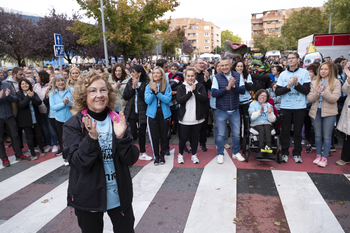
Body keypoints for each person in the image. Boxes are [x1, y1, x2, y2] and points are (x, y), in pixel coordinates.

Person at [63, 70, 138, 233]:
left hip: (119, 195)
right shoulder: (73, 125)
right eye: (93, 90)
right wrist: (91, 138)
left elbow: (131, 159)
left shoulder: (118, 120)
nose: (99, 95)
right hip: (88, 196)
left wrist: (122, 137)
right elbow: (78, 163)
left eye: (103, 90)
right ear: (84, 95)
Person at [275, 52, 311, 163]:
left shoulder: (304, 73)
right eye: (289, 58)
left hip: (300, 107)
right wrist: (288, 86)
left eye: (292, 58)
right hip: (286, 107)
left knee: (297, 131)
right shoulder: (283, 74)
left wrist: (297, 84)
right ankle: (285, 152)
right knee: (285, 131)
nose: (290, 60)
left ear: (298, 59)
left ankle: (297, 153)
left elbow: (306, 91)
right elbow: (277, 92)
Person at [212, 57, 246, 164]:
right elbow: (214, 93)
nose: (224, 67)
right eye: (222, 65)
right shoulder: (216, 77)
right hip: (221, 110)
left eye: (226, 65)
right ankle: (220, 153)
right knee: (221, 134)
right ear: (220, 66)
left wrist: (234, 86)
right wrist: (226, 88)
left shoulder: (237, 75)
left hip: (234, 110)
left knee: (236, 134)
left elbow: (243, 91)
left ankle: (235, 152)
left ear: (230, 65)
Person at [307, 63, 341, 167]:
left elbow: (334, 99)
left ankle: (325, 158)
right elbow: (309, 99)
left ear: (330, 71)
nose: (323, 71)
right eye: (321, 69)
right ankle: (318, 155)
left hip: (329, 113)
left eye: (326, 69)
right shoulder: (314, 82)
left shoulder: (336, 82)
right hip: (316, 111)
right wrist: (317, 93)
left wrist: (323, 92)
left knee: (327, 136)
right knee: (317, 135)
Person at [176, 67, 207, 164]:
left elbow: (204, 98)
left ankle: (194, 155)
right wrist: (190, 93)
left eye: (192, 75)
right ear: (185, 76)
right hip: (185, 118)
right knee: (183, 138)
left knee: (194, 137)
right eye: (188, 76)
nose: (190, 78)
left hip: (196, 117)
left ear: (195, 76)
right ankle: (180, 154)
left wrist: (195, 92)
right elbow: (179, 100)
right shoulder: (181, 87)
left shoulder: (200, 86)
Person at [123, 65, 152, 161]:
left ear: (139, 73)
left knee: (142, 133)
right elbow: (125, 96)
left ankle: (142, 152)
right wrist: (132, 88)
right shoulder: (129, 81)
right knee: (131, 132)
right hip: (131, 111)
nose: (131, 73)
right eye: (131, 72)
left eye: (134, 72)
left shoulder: (146, 83)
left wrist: (138, 88)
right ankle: (131, 152)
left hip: (142, 111)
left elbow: (145, 98)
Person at [144, 66, 172, 165]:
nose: (155, 74)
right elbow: (147, 101)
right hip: (152, 114)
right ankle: (156, 156)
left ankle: (162, 155)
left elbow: (167, 100)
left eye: (157, 73)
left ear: (161, 75)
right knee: (154, 136)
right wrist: (153, 92)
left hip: (164, 114)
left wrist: (158, 93)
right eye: (154, 73)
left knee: (164, 136)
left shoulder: (167, 86)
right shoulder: (148, 86)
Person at [16, 79, 46, 160]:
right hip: (25, 120)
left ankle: (42, 149)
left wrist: (32, 96)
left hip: (36, 117)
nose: (24, 85)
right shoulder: (18, 94)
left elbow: (39, 103)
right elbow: (21, 105)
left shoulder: (33, 93)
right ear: (20, 86)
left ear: (29, 85)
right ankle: (33, 153)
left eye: (26, 83)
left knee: (39, 135)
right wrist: (28, 97)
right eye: (22, 84)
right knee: (29, 137)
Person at [49, 75, 73, 165]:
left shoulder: (70, 90)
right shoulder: (52, 93)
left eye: (62, 80)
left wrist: (68, 103)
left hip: (70, 118)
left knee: (72, 138)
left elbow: (75, 103)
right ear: (55, 83)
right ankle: (65, 157)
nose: (61, 82)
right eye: (58, 81)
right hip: (59, 119)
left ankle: (73, 155)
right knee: (62, 138)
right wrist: (63, 104)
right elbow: (53, 107)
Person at [34, 70, 59, 153]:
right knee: (45, 129)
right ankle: (48, 144)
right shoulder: (35, 86)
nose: (36, 78)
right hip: (40, 111)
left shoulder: (50, 86)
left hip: (49, 111)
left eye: (37, 76)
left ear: (42, 77)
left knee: (51, 129)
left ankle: (55, 144)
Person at [248, 89, 276, 159]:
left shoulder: (269, 105)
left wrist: (270, 113)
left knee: (267, 127)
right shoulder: (253, 104)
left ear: (267, 98)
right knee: (261, 128)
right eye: (261, 95)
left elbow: (272, 120)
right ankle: (261, 149)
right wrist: (260, 111)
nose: (263, 97)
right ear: (258, 96)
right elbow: (252, 117)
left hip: (267, 123)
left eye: (265, 96)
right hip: (256, 124)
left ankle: (268, 148)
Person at [233, 60, 253, 146]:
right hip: (236, 102)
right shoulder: (232, 76)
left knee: (246, 121)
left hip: (246, 101)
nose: (240, 68)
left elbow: (250, 88)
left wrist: (243, 79)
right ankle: (239, 141)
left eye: (241, 66)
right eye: (238, 66)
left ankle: (246, 139)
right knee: (238, 123)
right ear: (235, 67)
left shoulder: (248, 75)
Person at [194, 58, 212, 151]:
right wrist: (204, 81)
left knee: (204, 124)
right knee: (194, 124)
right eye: (200, 63)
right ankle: (193, 143)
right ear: (195, 64)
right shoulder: (192, 75)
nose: (201, 65)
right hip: (194, 102)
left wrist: (207, 79)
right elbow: (195, 87)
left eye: (202, 63)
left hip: (204, 102)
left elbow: (210, 87)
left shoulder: (205, 74)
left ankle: (203, 143)